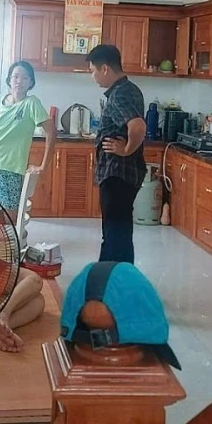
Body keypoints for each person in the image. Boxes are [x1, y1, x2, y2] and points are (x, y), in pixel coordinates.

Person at [88, 44, 146, 264]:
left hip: (117, 175)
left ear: (105, 69)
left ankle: (112, 279)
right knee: (119, 233)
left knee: (114, 236)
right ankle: (114, 277)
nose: (93, 77)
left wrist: (126, 149)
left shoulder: (120, 94)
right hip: (122, 174)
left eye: (93, 71)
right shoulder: (129, 89)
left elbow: (138, 126)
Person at [0, 60, 56, 214]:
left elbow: (51, 131)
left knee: (10, 217)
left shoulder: (32, 103)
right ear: (9, 80)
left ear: (31, 82)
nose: (19, 81)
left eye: (25, 77)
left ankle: (11, 231)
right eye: (15, 76)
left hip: (10, 168)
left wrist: (43, 165)